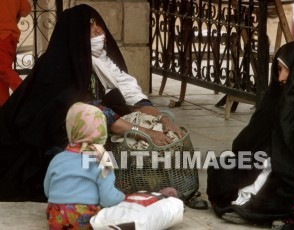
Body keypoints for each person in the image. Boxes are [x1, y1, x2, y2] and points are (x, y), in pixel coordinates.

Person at [0, 4, 182, 201]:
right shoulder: (60, 65)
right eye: (89, 26)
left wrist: (164, 119)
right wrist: (144, 132)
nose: (97, 30)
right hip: (48, 142)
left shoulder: (104, 63)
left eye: (98, 23)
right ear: (74, 33)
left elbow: (135, 98)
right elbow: (92, 112)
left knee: (151, 123)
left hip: (95, 131)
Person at [207, 40, 294, 229]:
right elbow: (247, 142)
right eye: (278, 70)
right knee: (221, 170)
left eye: (286, 70)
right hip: (273, 164)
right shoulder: (279, 96)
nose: (281, 78)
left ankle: (267, 212)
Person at [44, 102, 125, 229]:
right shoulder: (103, 159)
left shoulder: (58, 158)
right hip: (86, 218)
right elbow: (108, 199)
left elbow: (47, 191)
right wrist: (124, 197)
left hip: (56, 216)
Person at [0, 0, 31, 106]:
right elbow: (26, 10)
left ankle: (26, 93)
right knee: (2, 77)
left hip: (2, 35)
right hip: (11, 37)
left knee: (3, 69)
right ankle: (4, 108)